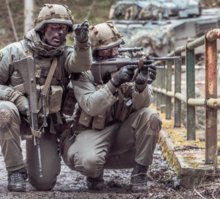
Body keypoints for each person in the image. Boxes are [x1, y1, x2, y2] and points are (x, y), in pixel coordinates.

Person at [0, 4, 92, 192]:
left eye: (64, 29)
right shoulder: (14, 51)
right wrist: (16, 98)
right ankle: (15, 171)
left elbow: (82, 64)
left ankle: (33, 165)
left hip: (43, 121)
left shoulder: (66, 55)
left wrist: (82, 44)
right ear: (42, 28)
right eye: (54, 27)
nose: (60, 33)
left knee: (43, 183)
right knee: (5, 111)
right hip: (15, 113)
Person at [61, 21, 162, 192]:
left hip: (123, 128)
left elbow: (143, 106)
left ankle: (139, 174)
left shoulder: (128, 63)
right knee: (88, 162)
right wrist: (115, 82)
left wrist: (140, 84)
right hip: (92, 130)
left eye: (116, 47)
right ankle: (94, 175)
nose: (114, 52)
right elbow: (91, 106)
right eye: (107, 49)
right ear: (94, 53)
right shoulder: (83, 72)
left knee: (151, 116)